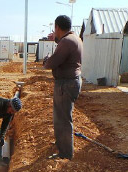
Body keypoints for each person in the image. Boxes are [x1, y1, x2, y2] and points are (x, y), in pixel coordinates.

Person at [44, 15, 83, 160]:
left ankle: (65, 154)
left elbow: (51, 63)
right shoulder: (75, 38)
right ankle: (62, 145)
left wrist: (47, 60)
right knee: (64, 117)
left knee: (62, 119)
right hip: (71, 82)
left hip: (66, 84)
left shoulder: (66, 41)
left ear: (57, 27)